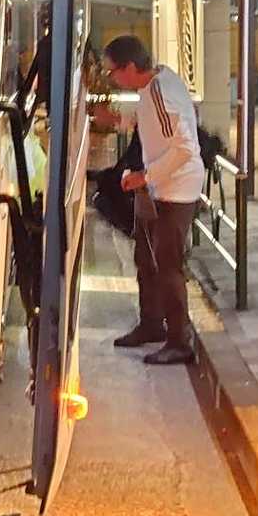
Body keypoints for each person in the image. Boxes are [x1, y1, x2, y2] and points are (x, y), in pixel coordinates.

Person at [103, 35, 204, 365]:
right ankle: (151, 324)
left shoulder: (161, 91)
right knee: (146, 259)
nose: (112, 79)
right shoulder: (155, 86)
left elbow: (185, 148)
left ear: (131, 67)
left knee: (168, 266)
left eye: (113, 72)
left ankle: (179, 340)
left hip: (176, 190)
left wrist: (145, 176)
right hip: (160, 187)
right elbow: (152, 129)